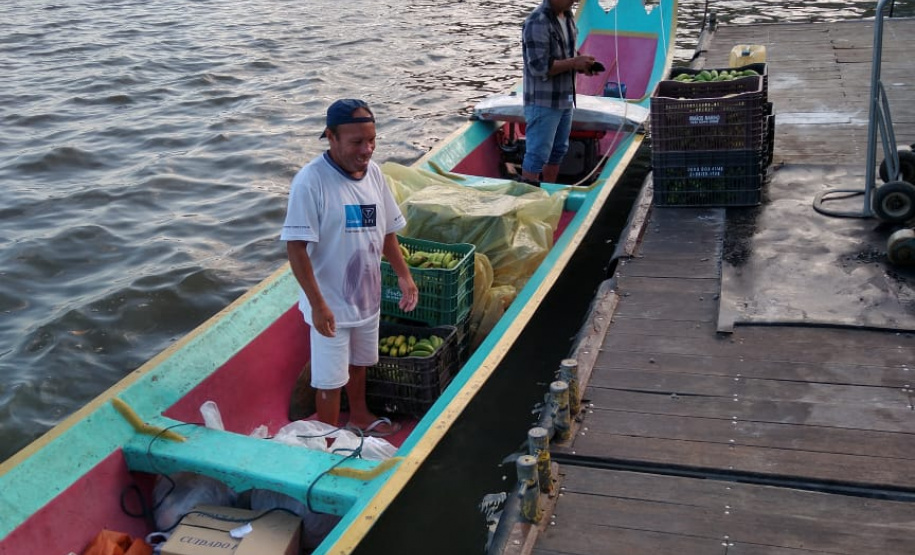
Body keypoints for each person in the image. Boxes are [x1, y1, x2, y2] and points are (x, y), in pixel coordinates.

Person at [281, 98, 419, 437]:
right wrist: (318, 305)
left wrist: (404, 275)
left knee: (360, 364)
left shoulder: (374, 174)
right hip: (330, 303)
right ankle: (328, 440)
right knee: (329, 380)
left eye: (371, 140)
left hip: (366, 298)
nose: (367, 149)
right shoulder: (310, 182)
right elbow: (296, 248)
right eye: (357, 142)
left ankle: (358, 416)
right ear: (331, 137)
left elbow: (386, 232)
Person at [521, 0, 598, 185]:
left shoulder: (568, 16)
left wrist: (583, 65)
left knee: (558, 151)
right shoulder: (537, 21)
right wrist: (574, 63)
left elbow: (567, 53)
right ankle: (526, 198)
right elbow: (539, 67)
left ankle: (548, 191)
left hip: (565, 98)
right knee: (537, 155)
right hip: (543, 102)